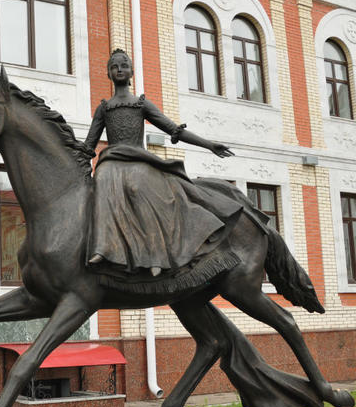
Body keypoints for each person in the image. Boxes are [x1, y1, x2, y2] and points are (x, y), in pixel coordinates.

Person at [84, 49, 241, 278]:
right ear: (108, 73)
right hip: (112, 160)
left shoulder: (141, 104)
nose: (119, 69)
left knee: (139, 188)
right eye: (114, 66)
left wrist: (208, 144)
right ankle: (103, 249)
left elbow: (172, 129)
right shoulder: (104, 108)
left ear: (132, 73)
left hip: (139, 160)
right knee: (102, 180)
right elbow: (89, 145)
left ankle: (155, 255)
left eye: (124, 65)